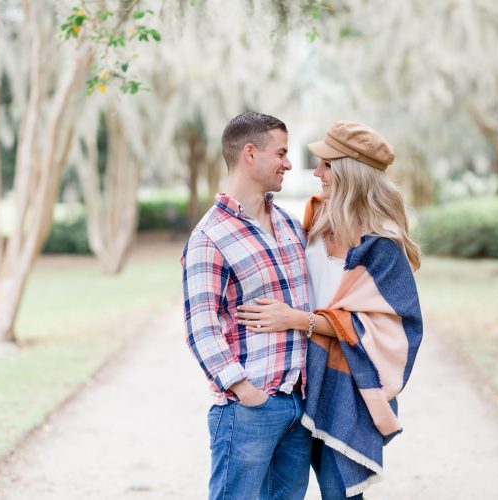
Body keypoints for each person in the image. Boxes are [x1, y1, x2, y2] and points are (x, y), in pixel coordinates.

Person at [236, 120, 424, 499]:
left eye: (327, 165)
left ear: (351, 172)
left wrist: (296, 320)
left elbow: (387, 329)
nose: (317, 173)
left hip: (345, 387)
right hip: (298, 377)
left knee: (340, 494)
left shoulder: (380, 245)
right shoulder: (315, 221)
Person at [181, 112, 315, 500]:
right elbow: (200, 328)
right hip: (248, 411)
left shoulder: (290, 226)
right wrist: (245, 390)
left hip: (298, 406)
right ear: (250, 154)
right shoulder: (210, 236)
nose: (289, 163)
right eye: (282, 153)